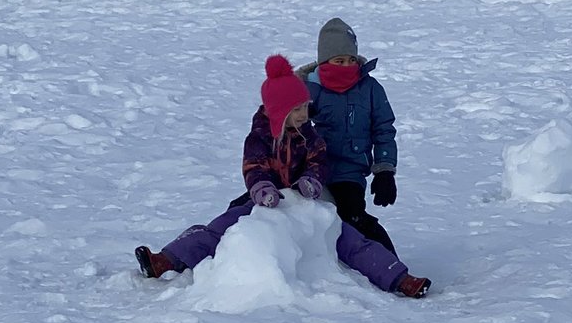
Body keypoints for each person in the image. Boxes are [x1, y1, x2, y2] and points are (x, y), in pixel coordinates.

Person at [134, 54, 430, 298]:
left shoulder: (308, 134)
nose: (305, 113)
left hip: (303, 201)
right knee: (219, 228)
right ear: (279, 111)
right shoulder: (260, 137)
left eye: (305, 107)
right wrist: (262, 187)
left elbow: (318, 160)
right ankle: (166, 260)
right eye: (298, 108)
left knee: (349, 239)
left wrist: (312, 181)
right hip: (267, 201)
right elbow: (254, 166)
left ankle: (399, 278)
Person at [297, 17, 399, 254]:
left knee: (351, 216)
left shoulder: (370, 89)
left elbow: (383, 129)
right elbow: (286, 125)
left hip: (349, 172)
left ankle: (391, 266)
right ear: (324, 61)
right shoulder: (308, 89)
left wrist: (384, 170)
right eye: (338, 60)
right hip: (310, 168)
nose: (345, 66)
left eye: (350, 60)